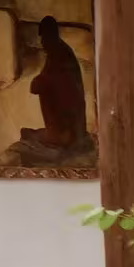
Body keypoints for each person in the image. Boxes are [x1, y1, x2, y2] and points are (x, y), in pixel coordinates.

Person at [20, 16, 89, 161]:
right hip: (69, 129)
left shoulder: (60, 55)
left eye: (44, 38)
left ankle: (56, 136)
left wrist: (39, 83)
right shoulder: (58, 52)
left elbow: (45, 83)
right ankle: (54, 135)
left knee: (28, 135)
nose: (42, 43)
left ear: (50, 36)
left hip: (68, 132)